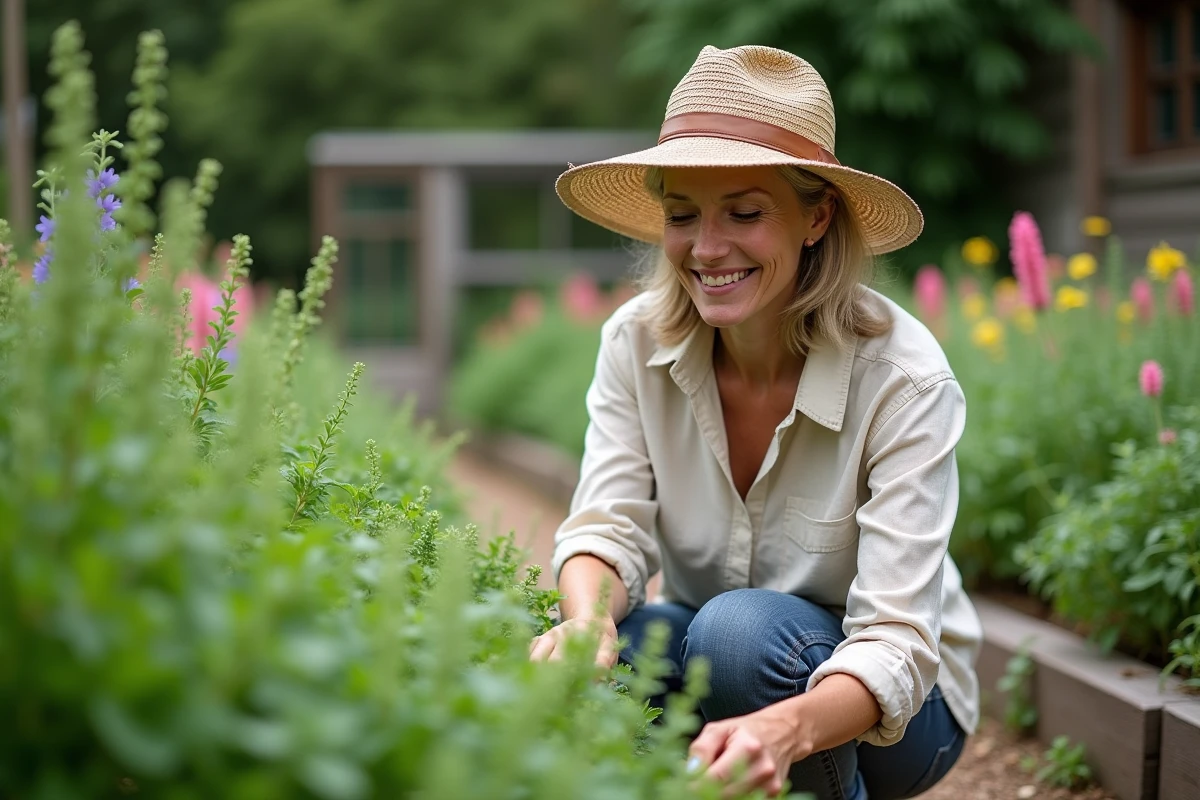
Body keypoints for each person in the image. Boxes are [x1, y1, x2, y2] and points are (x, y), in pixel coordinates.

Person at [528, 44, 982, 800]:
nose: (707, 249)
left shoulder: (903, 377)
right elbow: (606, 528)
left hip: (900, 717)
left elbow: (897, 643)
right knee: (635, 651)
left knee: (736, 635)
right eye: (682, 216)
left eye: (745, 212)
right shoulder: (635, 344)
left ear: (816, 216)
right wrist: (584, 625)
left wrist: (787, 727)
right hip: (726, 650)